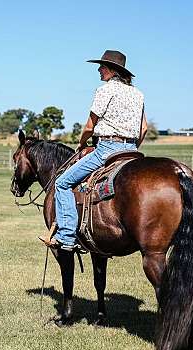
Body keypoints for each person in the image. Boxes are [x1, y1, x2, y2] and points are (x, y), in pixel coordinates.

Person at [43, 50, 148, 251]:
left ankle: (66, 237)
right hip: (132, 150)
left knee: (62, 183)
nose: (99, 70)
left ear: (111, 70)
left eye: (102, 67)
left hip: (107, 149)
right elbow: (143, 128)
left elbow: (90, 126)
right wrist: (132, 147)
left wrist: (81, 143)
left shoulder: (104, 90)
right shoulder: (138, 94)